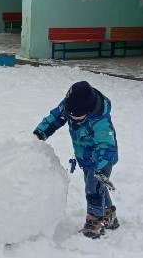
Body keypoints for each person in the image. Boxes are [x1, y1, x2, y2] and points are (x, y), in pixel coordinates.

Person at [33, 81, 119, 239]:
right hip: (85, 156)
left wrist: (102, 168)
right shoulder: (70, 105)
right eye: (70, 114)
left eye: (77, 115)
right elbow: (55, 118)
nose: (73, 117)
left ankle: (94, 223)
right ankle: (108, 215)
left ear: (88, 110)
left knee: (93, 189)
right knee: (97, 187)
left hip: (100, 159)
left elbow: (107, 147)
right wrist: (39, 133)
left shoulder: (100, 121)